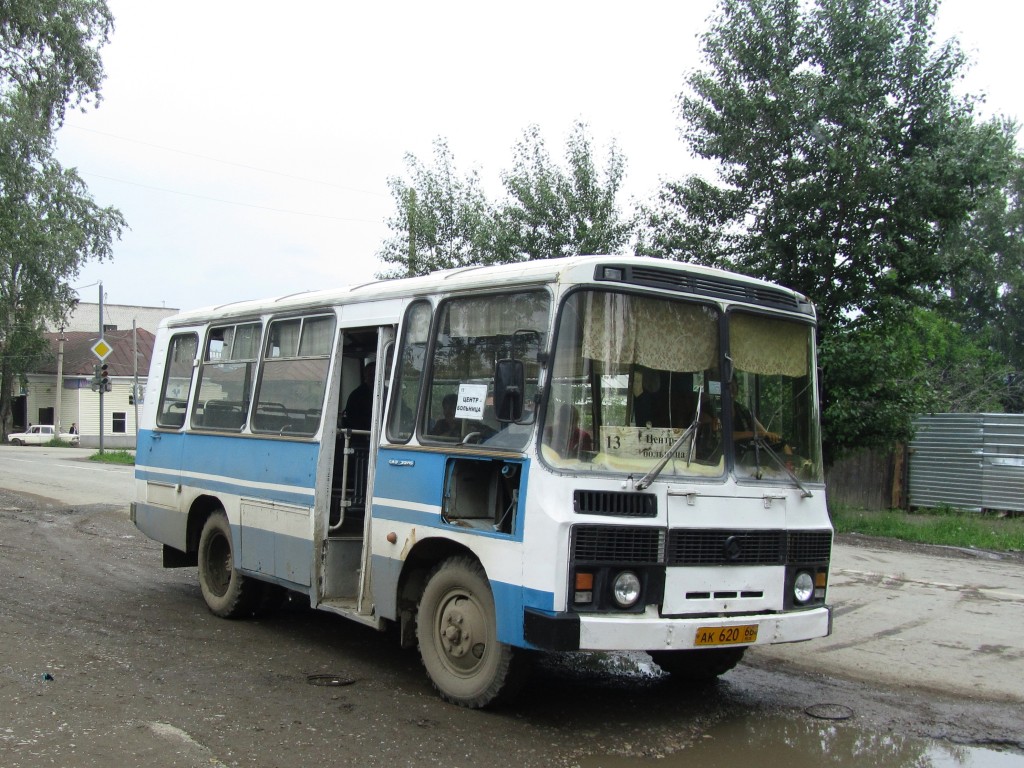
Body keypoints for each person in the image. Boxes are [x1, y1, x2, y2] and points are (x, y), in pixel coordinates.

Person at [342, 363, 375, 432]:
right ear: (365, 376)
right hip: (361, 435)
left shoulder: (387, 393)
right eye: (371, 375)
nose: (373, 378)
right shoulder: (356, 395)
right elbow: (351, 418)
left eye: (375, 374)